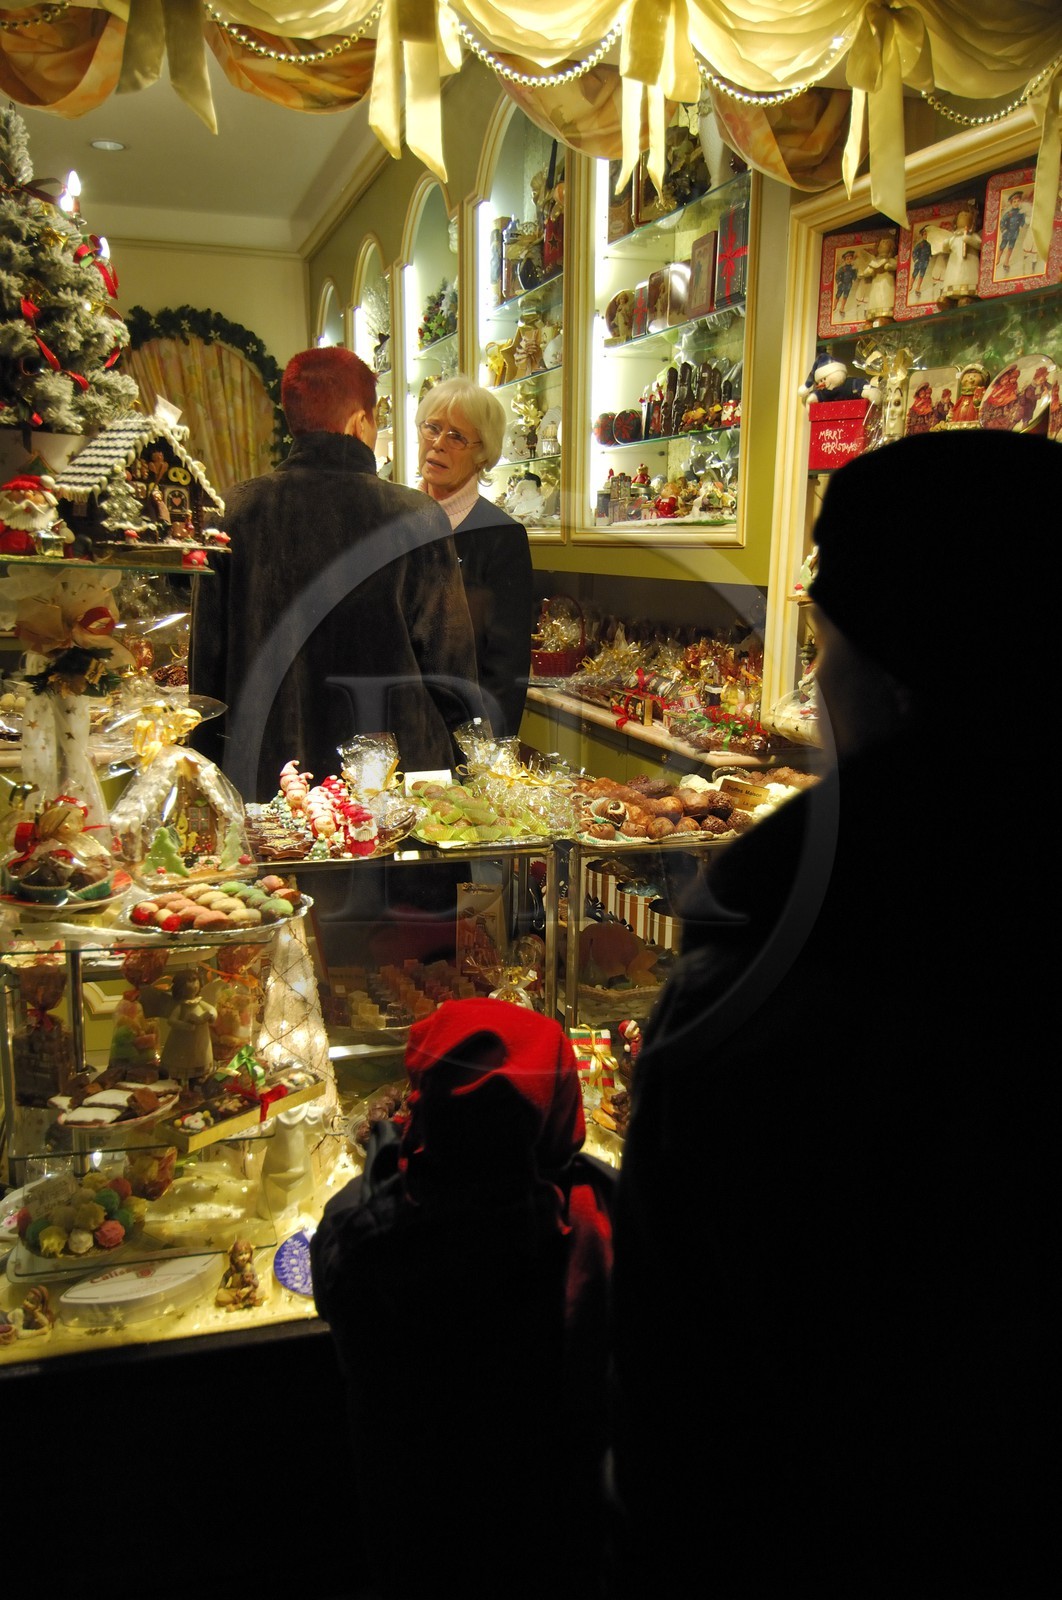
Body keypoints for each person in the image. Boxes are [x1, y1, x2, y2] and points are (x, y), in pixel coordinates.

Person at [609, 429, 1053, 1600]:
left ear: (899, 679)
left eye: (824, 650)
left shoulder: (790, 970)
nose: (814, 689)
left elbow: (692, 1386)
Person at [311, 998, 616, 1600]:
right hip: (558, 1544)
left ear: (424, 1109)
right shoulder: (596, 1219)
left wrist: (385, 1166)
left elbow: (339, 1244)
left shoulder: (369, 1240)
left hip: (416, 1545)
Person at [190, 347, 481, 801]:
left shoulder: (232, 513)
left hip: (273, 781)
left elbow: (205, 677)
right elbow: (451, 667)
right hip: (392, 785)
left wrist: (206, 783)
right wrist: (471, 773)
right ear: (359, 422)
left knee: (281, 872)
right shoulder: (416, 517)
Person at [416, 377, 533, 739]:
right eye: (432, 428)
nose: (437, 443)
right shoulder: (393, 521)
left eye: (456, 437)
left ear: (483, 453)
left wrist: (486, 754)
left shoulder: (500, 536)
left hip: (461, 738)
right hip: (393, 728)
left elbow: (506, 667)